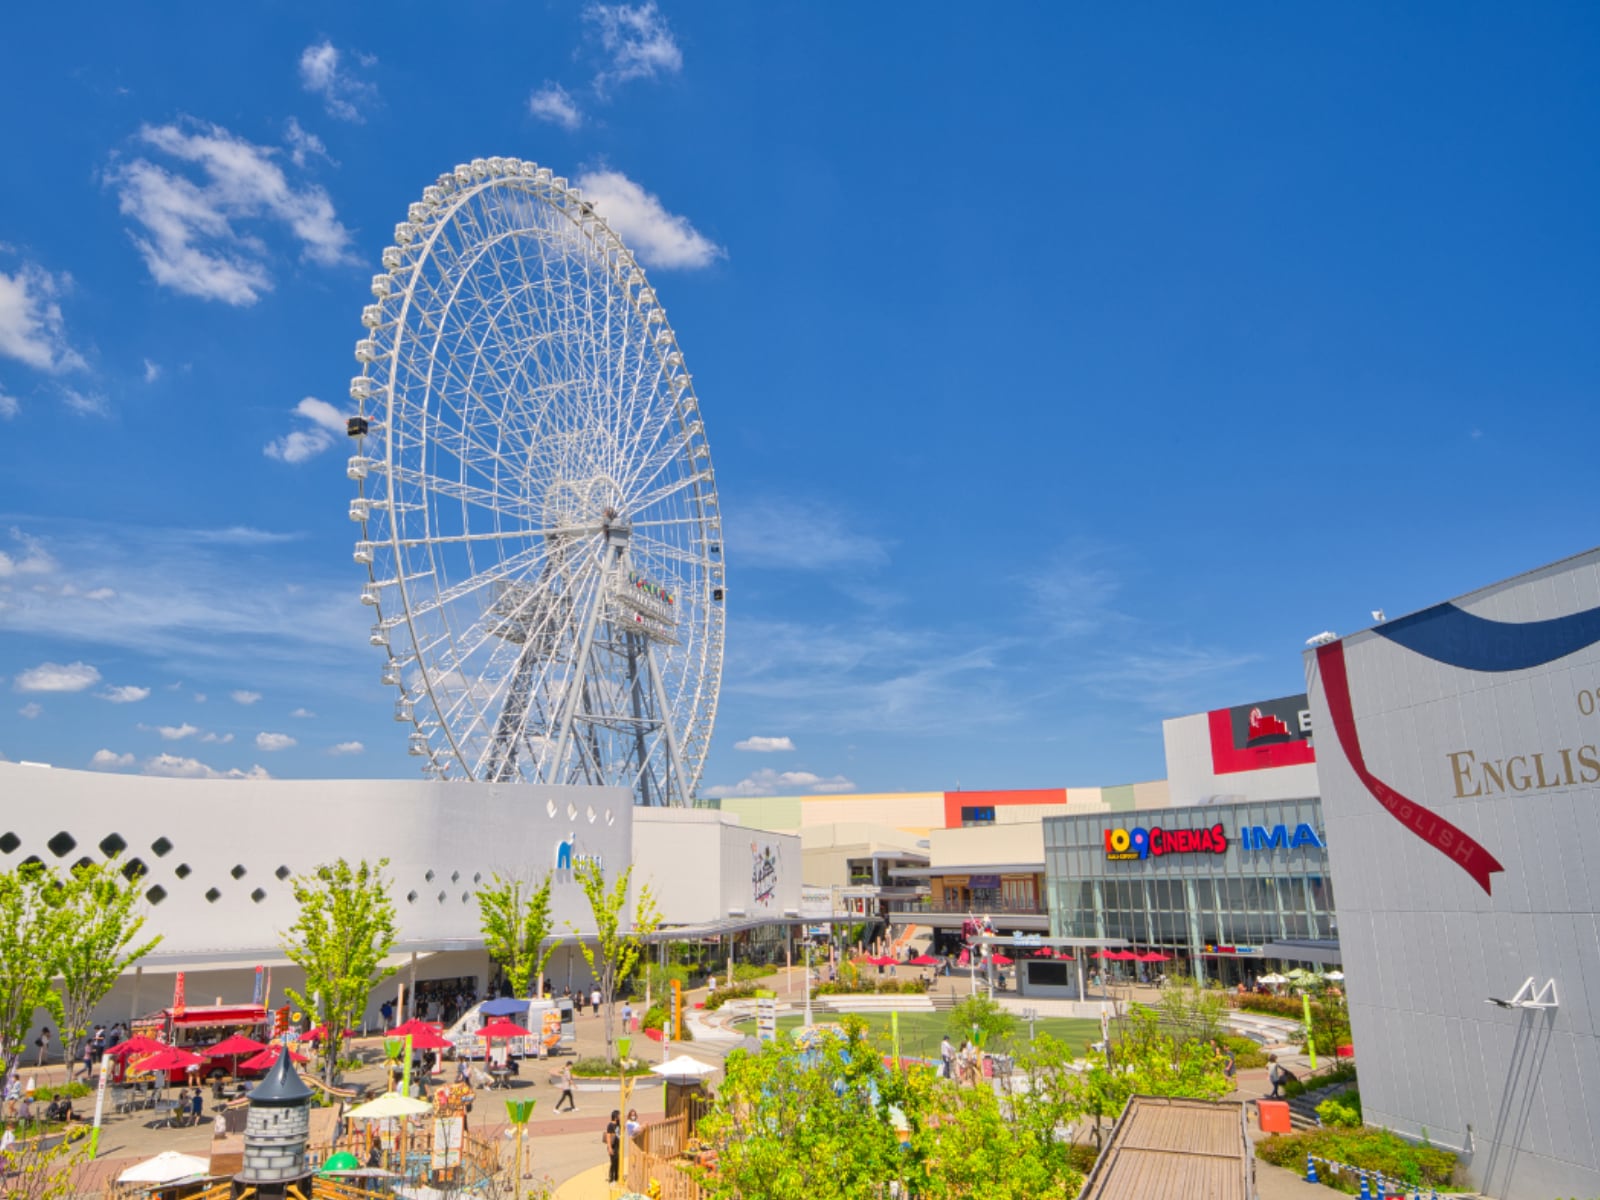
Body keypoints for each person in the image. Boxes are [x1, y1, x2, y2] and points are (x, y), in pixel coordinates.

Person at [604, 1109, 621, 1183]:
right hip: (612, 1146)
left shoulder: (618, 1124)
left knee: (617, 1161)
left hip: (617, 1145)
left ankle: (617, 1177)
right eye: (619, 1115)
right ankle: (611, 1178)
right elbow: (608, 1137)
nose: (620, 1116)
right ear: (616, 1116)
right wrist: (610, 1148)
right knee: (613, 1162)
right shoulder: (610, 1125)